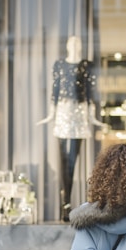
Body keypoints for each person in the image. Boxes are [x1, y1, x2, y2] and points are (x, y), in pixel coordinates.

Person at [37, 35, 104, 221]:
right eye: (72, 41)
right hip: (63, 112)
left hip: (80, 112)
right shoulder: (59, 65)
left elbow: (90, 91)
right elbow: (55, 90)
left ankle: (67, 203)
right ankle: (65, 203)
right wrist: (51, 115)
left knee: (73, 159)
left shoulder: (87, 65)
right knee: (63, 160)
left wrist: (93, 117)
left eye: (78, 41)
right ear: (67, 45)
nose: (75, 44)